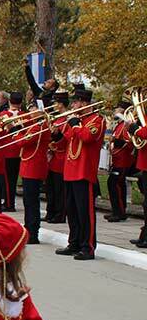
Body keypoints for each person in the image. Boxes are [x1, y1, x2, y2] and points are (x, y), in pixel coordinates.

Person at [55, 88, 105, 261]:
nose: (73, 105)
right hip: (70, 171)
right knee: (72, 210)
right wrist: (63, 125)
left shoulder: (97, 120)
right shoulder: (79, 120)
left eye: (75, 102)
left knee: (85, 213)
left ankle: (88, 247)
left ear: (84, 103)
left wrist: (75, 123)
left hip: (84, 171)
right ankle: (74, 242)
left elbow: (87, 137)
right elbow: (68, 137)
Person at [13, 106, 51, 244]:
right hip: (29, 167)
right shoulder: (34, 125)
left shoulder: (39, 127)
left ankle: (32, 232)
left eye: (33, 110)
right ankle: (28, 228)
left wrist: (14, 131)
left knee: (31, 202)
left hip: (34, 167)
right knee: (28, 201)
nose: (30, 113)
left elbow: (23, 141)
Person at [106, 102, 135, 223]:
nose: (115, 110)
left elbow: (129, 143)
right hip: (117, 159)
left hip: (123, 160)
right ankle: (116, 210)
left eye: (117, 108)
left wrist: (115, 141)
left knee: (116, 184)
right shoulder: (120, 124)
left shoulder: (127, 125)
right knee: (114, 184)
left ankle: (120, 211)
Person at [44, 91, 70, 223]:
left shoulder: (67, 120)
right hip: (52, 158)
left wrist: (55, 137)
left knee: (59, 189)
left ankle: (60, 214)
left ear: (61, 104)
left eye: (56, 103)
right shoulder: (58, 119)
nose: (54, 105)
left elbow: (65, 140)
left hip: (61, 157)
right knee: (51, 188)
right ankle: (51, 211)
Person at [0, 92, 25, 212]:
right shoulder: (26, 115)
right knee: (13, 178)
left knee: (7, 179)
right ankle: (10, 202)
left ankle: (9, 203)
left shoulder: (4, 115)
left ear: (10, 102)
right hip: (19, 151)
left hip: (7, 150)